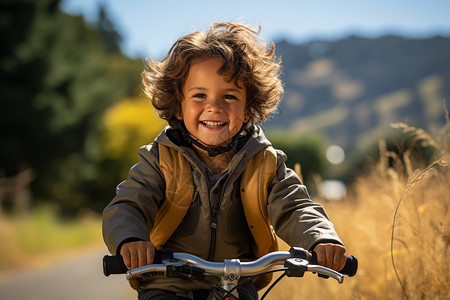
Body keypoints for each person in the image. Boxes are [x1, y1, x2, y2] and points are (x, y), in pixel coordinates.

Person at [102, 22, 346, 300]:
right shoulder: (159, 159)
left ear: (248, 107)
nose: (214, 106)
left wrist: (321, 238)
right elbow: (129, 204)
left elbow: (294, 207)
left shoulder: (265, 163)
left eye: (229, 96)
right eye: (199, 95)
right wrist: (132, 240)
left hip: (238, 280)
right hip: (168, 283)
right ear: (178, 106)